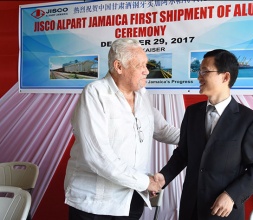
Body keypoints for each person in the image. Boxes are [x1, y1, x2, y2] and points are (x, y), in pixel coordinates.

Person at [64, 38, 180, 220]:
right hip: (96, 202)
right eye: (140, 65)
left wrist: (202, 135)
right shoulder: (95, 93)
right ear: (119, 67)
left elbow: (163, 130)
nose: (147, 71)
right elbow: (97, 156)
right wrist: (145, 182)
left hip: (131, 197)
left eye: (146, 64)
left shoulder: (142, 95)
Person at [154, 49, 253, 220]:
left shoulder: (249, 120)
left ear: (225, 77)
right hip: (190, 208)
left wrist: (231, 195)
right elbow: (182, 154)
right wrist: (163, 178)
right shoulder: (192, 113)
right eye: (198, 71)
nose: (198, 77)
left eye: (204, 71)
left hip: (222, 211)